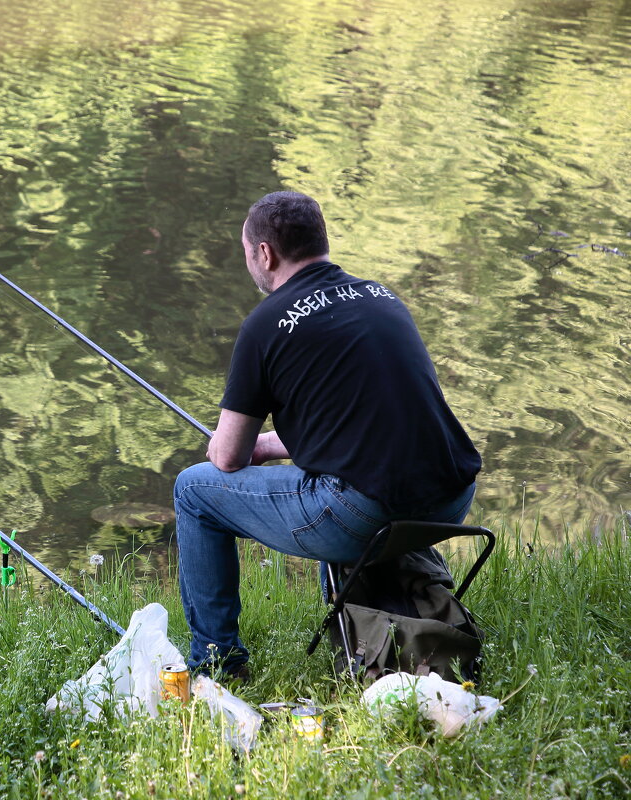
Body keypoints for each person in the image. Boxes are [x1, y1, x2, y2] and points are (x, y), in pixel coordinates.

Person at [175, 191, 481, 680]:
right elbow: (371, 422)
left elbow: (228, 458)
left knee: (193, 490)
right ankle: (394, 628)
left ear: (265, 254)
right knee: (332, 477)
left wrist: (230, 447)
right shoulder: (381, 297)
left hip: (368, 513)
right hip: (450, 500)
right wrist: (270, 446)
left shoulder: (265, 324)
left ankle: (216, 663)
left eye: (246, 252)